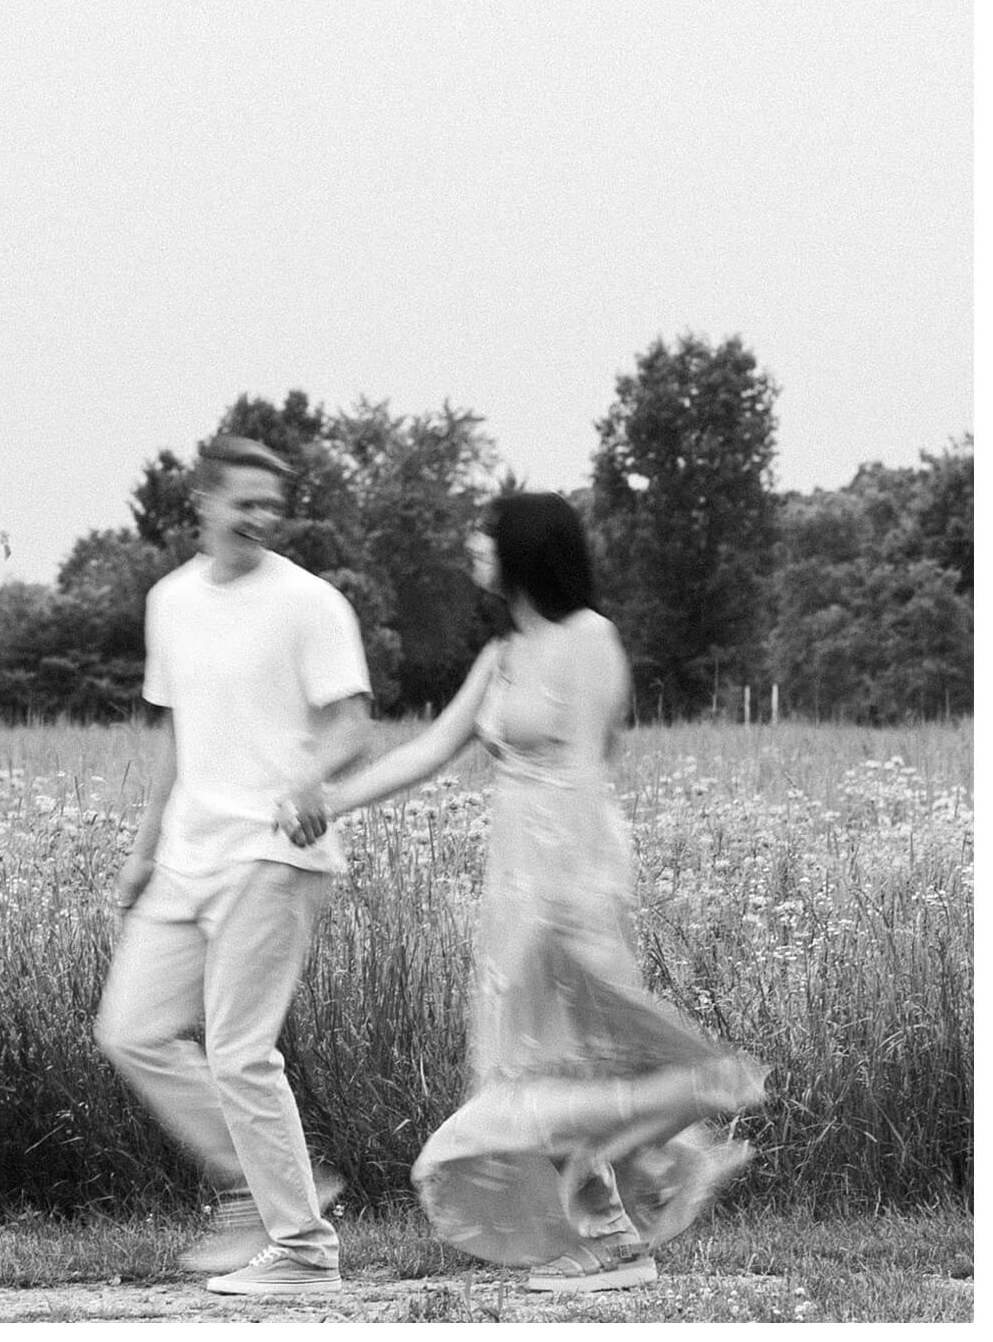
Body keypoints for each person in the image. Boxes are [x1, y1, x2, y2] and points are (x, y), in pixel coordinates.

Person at [280, 491, 766, 1293]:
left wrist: (569, 901)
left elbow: (582, 766)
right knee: (537, 1063)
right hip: (515, 876)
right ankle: (612, 1237)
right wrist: (326, 800)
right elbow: (431, 748)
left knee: (587, 1046)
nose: (474, 543)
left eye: (488, 532)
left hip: (571, 869)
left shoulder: (590, 640)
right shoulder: (503, 654)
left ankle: (699, 1096)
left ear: (526, 550)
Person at [93, 434, 372, 1297]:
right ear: (204, 504)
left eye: (271, 504)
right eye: (243, 501)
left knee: (242, 1049)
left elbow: (355, 725)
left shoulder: (310, 603)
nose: (259, 517)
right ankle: (255, 1187)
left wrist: (308, 781)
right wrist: (143, 853)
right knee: (131, 1029)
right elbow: (181, 741)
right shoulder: (169, 601)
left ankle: (302, 1246)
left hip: (276, 850)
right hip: (188, 852)